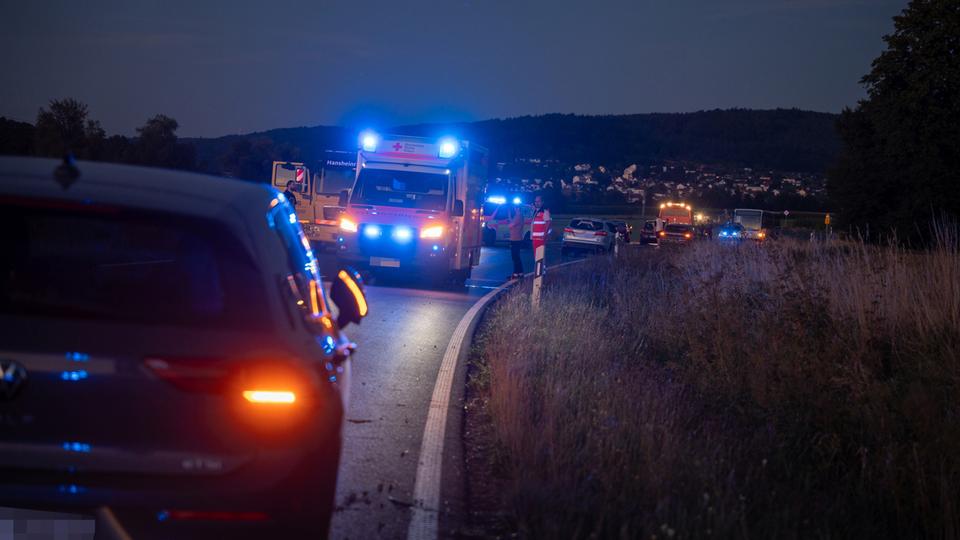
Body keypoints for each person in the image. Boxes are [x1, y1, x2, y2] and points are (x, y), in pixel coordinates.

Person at [508, 203, 525, 279]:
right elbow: (512, 222)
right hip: (516, 238)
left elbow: (511, 225)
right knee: (516, 257)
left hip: (515, 239)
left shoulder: (518, 216)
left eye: (515, 207)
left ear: (517, 208)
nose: (514, 209)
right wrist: (509, 215)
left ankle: (516, 274)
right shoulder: (518, 216)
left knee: (515, 257)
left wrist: (510, 224)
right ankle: (520, 273)